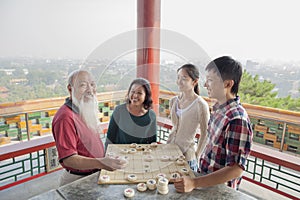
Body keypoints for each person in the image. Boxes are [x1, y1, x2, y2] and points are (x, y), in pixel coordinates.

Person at [173, 56, 253, 192]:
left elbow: (235, 169)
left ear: (228, 84)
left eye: (210, 80)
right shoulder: (218, 110)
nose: (205, 85)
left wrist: (194, 182)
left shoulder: (237, 119)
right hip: (205, 182)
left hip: (218, 191)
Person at [52, 69, 127, 186]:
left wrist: (105, 159)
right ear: (70, 89)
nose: (90, 90)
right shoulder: (65, 117)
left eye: (92, 84)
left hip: (95, 173)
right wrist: (102, 162)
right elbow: (69, 159)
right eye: (83, 85)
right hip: (78, 180)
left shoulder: (84, 109)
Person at [167, 64, 210, 171]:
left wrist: (197, 155)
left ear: (194, 82)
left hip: (187, 156)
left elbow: (205, 133)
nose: (179, 81)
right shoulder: (173, 101)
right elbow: (175, 127)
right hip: (169, 152)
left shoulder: (201, 105)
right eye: (178, 78)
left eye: (184, 78)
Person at [105, 78, 157, 149]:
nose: (135, 95)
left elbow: (152, 143)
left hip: (140, 155)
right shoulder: (119, 110)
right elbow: (110, 138)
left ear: (146, 96)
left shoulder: (152, 115)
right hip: (119, 154)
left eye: (139, 93)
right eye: (132, 91)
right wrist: (107, 157)